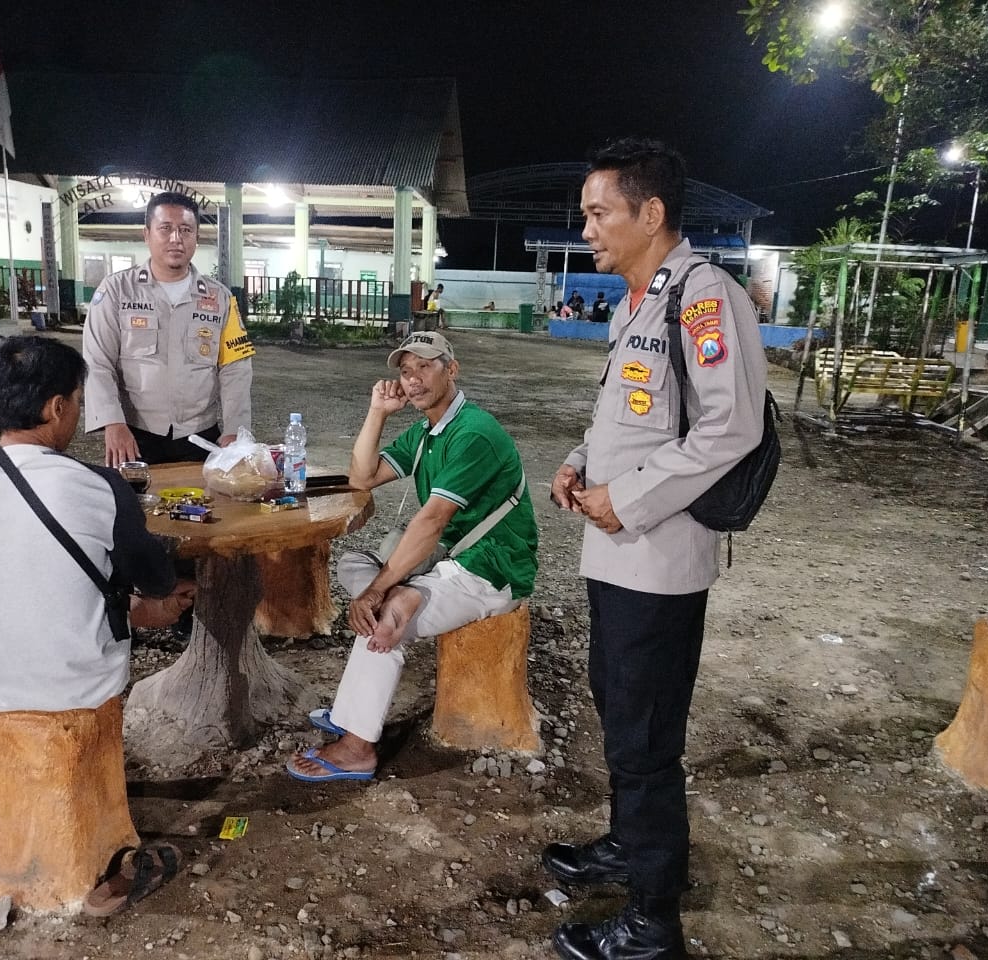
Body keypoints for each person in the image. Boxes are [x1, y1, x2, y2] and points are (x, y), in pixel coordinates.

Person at [546, 138, 766, 960]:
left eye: (600, 213)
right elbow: (632, 420)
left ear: (652, 213)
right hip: (616, 555)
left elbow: (731, 428)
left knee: (646, 740)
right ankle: (627, 846)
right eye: (587, 215)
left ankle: (652, 919)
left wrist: (625, 497)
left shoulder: (706, 298)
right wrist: (578, 463)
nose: (589, 228)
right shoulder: (636, 301)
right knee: (618, 706)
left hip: (660, 561)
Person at [285, 331, 538, 782]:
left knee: (388, 614)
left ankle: (358, 747)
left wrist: (383, 591)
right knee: (354, 565)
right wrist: (378, 412)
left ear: (451, 370)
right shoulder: (428, 433)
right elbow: (362, 478)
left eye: (426, 366)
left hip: (491, 569)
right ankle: (356, 701)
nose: (414, 379)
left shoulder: (474, 433)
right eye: (406, 370)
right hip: (451, 560)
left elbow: (431, 521)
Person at [0, 336, 196, 713]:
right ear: (57, 407)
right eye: (78, 402)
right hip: (78, 687)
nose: (78, 413)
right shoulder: (99, 487)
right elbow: (156, 580)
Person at [82, 191, 255, 468]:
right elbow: (97, 362)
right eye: (166, 229)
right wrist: (112, 422)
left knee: (203, 508)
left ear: (197, 237)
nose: (176, 238)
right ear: (147, 234)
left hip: (200, 436)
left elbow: (236, 368)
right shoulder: (116, 291)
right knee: (137, 508)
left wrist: (235, 429)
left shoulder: (220, 298)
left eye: (186, 230)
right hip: (135, 435)